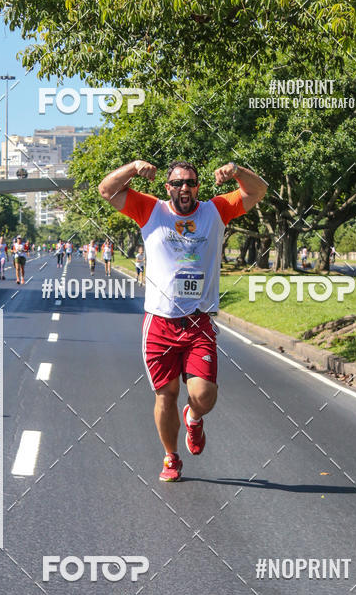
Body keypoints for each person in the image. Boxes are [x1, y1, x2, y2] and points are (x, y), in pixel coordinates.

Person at [98, 158, 267, 481]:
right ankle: (171, 457)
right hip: (159, 322)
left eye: (190, 182)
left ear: (198, 187)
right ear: (167, 187)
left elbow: (259, 191)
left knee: (204, 395)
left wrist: (237, 172)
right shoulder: (150, 209)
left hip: (198, 321)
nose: (184, 188)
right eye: (177, 183)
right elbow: (106, 190)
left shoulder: (216, 210)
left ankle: (194, 417)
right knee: (166, 394)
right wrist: (134, 168)